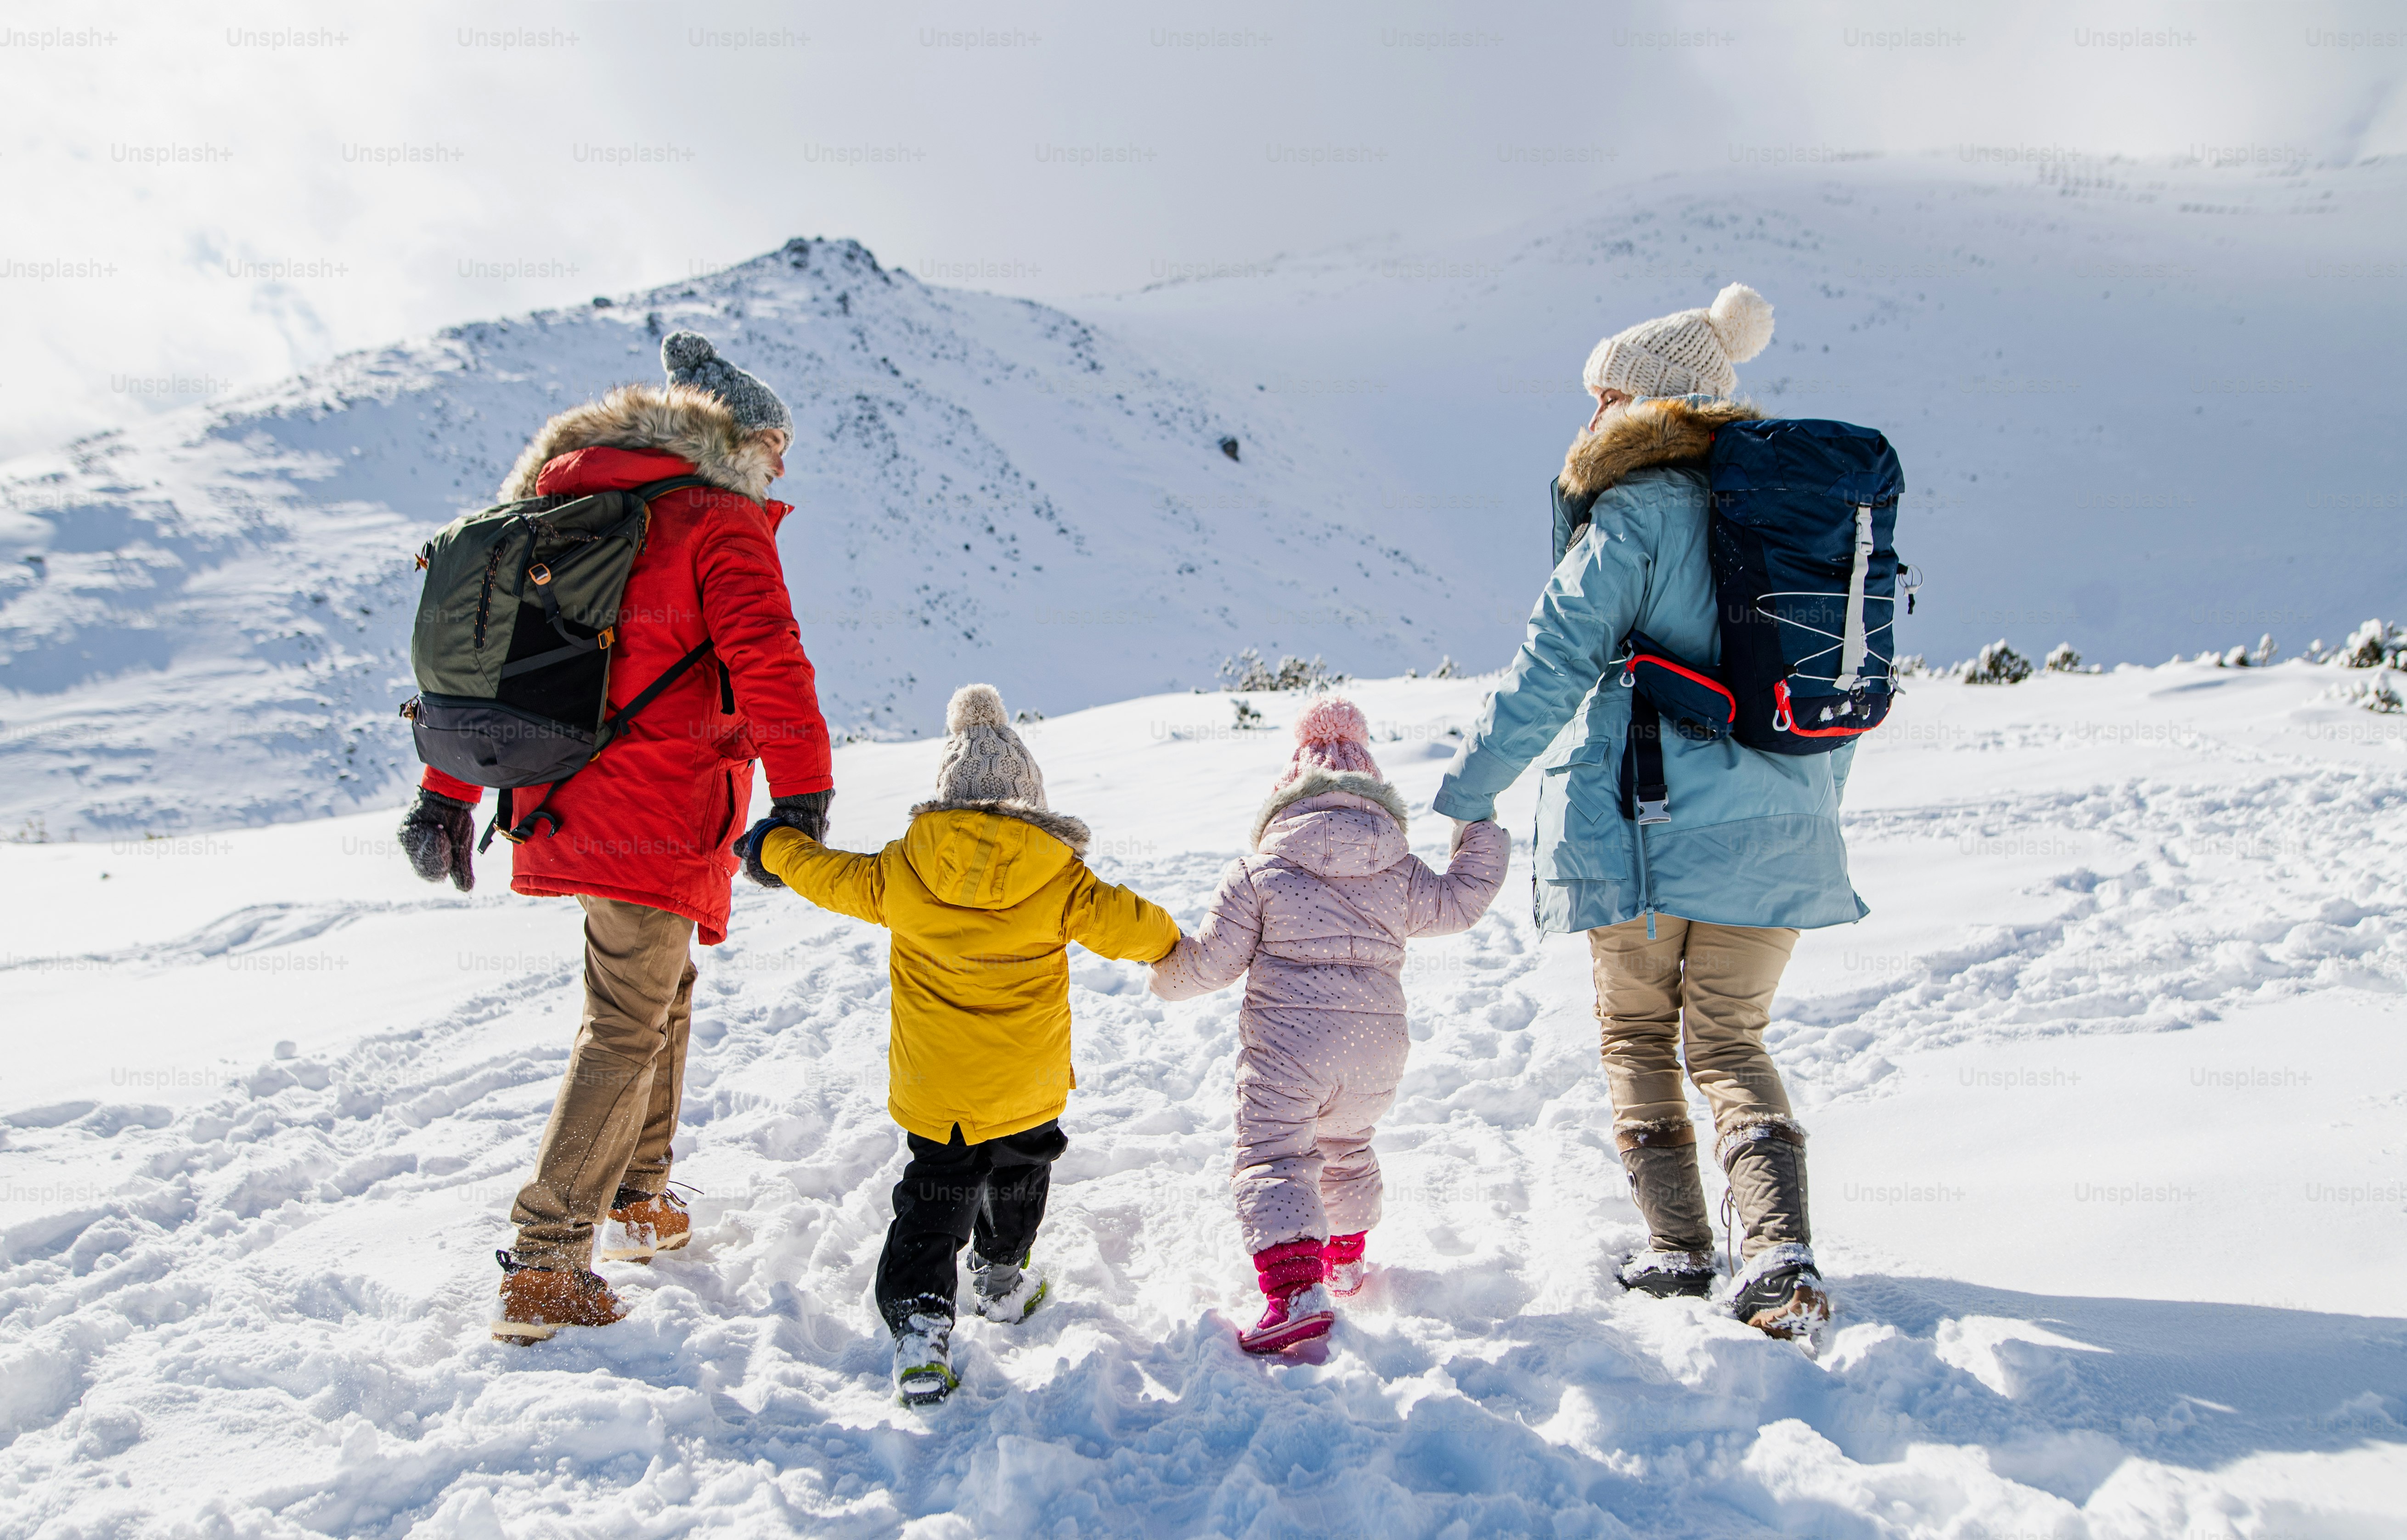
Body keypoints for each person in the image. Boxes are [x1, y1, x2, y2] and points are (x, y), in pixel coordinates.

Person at [1431, 283, 1859, 1341]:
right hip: (1785, 835)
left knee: (1637, 1031)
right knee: (1732, 1041)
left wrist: (1469, 792)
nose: (1588, 420)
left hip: (1649, 835)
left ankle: (1678, 1251)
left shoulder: (1633, 516)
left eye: (1603, 397)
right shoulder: (1797, 527)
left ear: (1648, 405)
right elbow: (1827, 706)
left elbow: (1549, 666)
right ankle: (1779, 1254)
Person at [395, 331, 837, 1344]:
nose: (783, 464)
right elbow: (771, 661)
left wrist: (445, 794)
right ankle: (547, 1262)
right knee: (627, 1016)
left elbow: (495, 669)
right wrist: (805, 795)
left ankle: (640, 1196)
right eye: (777, 443)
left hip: (566, 798)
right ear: (738, 437)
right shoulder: (716, 522)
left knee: (657, 990)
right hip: (661, 803)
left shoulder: (574, 508)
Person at [743, 683, 1179, 1404]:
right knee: (1019, 1174)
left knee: (934, 1199)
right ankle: (1002, 1277)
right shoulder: (1059, 876)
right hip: (1026, 1085)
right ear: (1030, 801)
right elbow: (1138, 927)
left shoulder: (901, 869)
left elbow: (822, 874)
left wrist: (775, 845)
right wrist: (1175, 948)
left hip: (937, 1091)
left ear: (944, 798)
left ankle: (920, 1325)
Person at [1151, 699, 1509, 1353]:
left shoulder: (1258, 872)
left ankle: (1295, 1291)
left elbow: (1208, 963)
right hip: (1376, 1052)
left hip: (1290, 1050)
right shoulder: (1397, 866)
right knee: (1345, 1145)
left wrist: (1161, 974)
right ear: (1372, 792)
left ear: (1286, 795)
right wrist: (1479, 828)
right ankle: (1343, 1259)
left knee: (1275, 1156)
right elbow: (1461, 901)